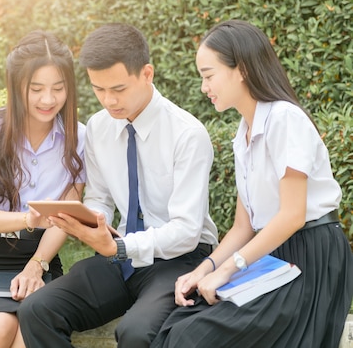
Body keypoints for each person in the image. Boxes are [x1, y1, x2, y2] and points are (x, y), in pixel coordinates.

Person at [151, 20, 353, 348]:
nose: (204, 87)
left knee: (194, 337)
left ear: (241, 69)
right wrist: (205, 269)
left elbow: (292, 216)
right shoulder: (242, 136)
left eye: (208, 75)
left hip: (311, 258)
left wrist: (228, 269)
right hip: (272, 255)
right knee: (178, 325)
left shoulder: (284, 120)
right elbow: (243, 228)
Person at [18, 23, 219, 347]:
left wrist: (120, 247)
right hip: (121, 254)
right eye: (99, 89)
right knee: (37, 310)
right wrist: (89, 221)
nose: (109, 100)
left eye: (119, 89)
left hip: (181, 259)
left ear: (147, 74)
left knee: (136, 333)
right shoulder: (98, 128)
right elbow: (99, 197)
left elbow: (186, 230)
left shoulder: (187, 135)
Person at [0, 30, 86, 348]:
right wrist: (28, 219)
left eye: (58, 88)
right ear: (15, 85)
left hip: (42, 258)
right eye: (36, 89)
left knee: (30, 330)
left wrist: (36, 265)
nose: (48, 100)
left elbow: (65, 218)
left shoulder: (80, 138)